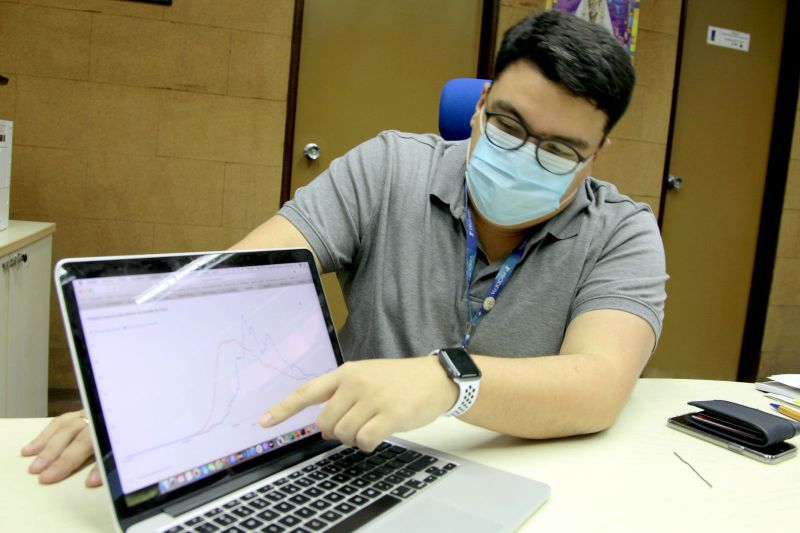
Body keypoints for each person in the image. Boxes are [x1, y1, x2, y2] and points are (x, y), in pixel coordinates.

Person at [22, 9, 666, 487]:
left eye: (558, 150)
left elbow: (598, 386)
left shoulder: (624, 233)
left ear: (597, 155)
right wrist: (144, 392)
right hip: (348, 460)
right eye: (507, 125)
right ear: (477, 108)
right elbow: (247, 278)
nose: (525, 155)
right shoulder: (388, 169)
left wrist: (446, 382)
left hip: (516, 473)